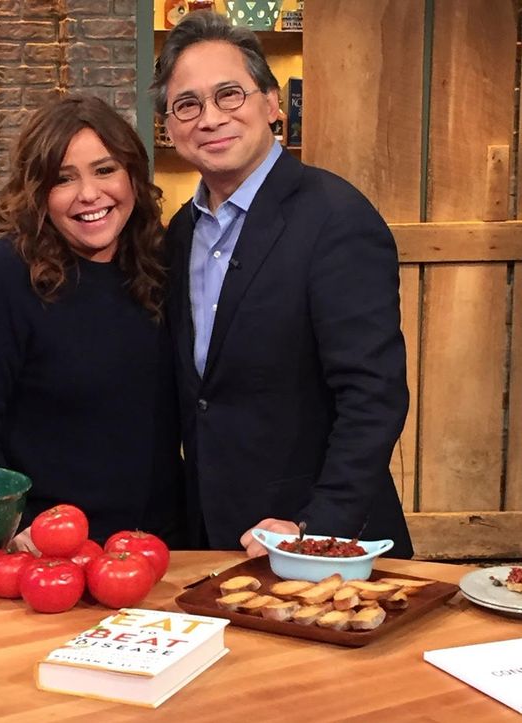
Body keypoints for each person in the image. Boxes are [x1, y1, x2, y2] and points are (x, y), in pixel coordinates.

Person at [151, 10, 414, 558]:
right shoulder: (181, 231)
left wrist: (319, 526)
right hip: (211, 534)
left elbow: (373, 395)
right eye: (188, 104)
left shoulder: (336, 218)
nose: (210, 118)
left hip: (321, 541)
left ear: (271, 104)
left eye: (230, 95)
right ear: (170, 127)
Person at [0, 95, 185, 548]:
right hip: (50, 553)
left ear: (134, 175)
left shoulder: (165, 262)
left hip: (165, 548)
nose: (90, 194)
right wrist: (15, 530)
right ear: (37, 193)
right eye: (63, 179)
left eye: (105, 170)